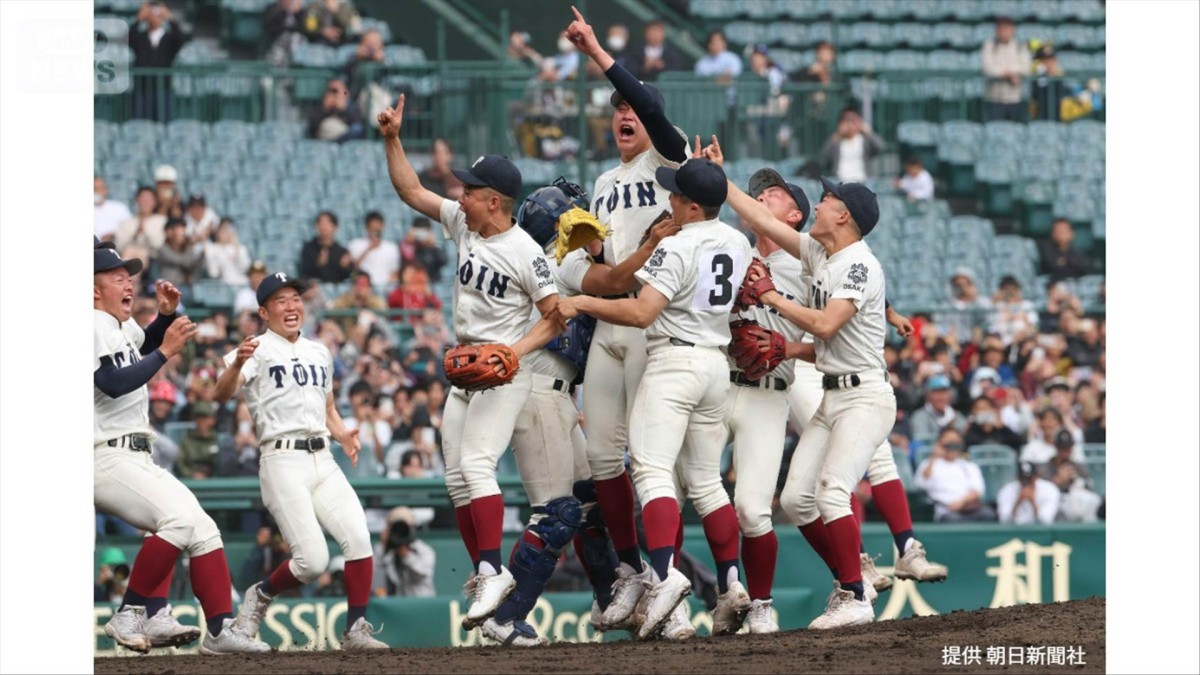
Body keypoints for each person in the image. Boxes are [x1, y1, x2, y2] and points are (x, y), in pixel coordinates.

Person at [702, 135, 939, 629]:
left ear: (844, 216)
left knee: (833, 491)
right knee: (794, 499)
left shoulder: (858, 264)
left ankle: (855, 594)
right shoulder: (821, 253)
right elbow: (763, 220)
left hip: (865, 397)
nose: (823, 201)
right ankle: (855, 580)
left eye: (829, 198)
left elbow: (827, 325)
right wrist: (718, 177)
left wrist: (773, 299)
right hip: (834, 392)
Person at [379, 92, 566, 632]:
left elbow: (555, 317)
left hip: (504, 373)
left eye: (470, 189)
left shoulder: (525, 251)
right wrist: (392, 139)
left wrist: (514, 352)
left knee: (479, 465)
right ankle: (486, 578)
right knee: (458, 479)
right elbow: (410, 190)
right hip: (465, 368)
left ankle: (493, 571)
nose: (460, 194)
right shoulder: (464, 223)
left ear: (496, 200)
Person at [556, 156, 754, 641]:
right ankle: (731, 584)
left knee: (650, 470)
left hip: (674, 361)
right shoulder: (737, 240)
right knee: (707, 482)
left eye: (675, 195)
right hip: (714, 363)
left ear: (688, 206)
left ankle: (664, 576)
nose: (668, 199)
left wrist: (581, 301)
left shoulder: (678, 244)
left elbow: (643, 312)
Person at [496, 178, 684, 644]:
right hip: (541, 392)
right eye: (574, 214)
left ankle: (606, 600)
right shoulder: (559, 263)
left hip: (555, 392)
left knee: (590, 498)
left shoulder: (538, 257)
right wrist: (651, 242)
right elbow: (619, 283)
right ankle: (506, 617)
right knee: (557, 514)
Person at [560, 7, 695, 637]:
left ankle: (675, 586)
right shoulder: (603, 179)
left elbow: (659, 115)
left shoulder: (669, 164)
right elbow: (602, 260)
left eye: (633, 108)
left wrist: (594, 50)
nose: (624, 114)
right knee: (603, 457)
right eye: (616, 107)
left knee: (651, 461)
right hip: (610, 322)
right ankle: (634, 571)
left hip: (653, 320)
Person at [93, 241, 268, 655]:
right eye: (117, 277)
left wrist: (165, 317)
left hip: (133, 453)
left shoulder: (119, 326)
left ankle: (220, 629)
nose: (127, 282)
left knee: (201, 526)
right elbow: (114, 383)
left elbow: (142, 346)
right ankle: (131, 611)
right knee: (176, 520)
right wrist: (168, 350)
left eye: (129, 276)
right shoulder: (85, 322)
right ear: (92, 288)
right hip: (101, 453)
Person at [215, 271, 389, 650]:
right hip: (281, 460)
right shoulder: (253, 348)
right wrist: (234, 365)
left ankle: (356, 629)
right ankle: (258, 597)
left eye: (296, 298)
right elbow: (220, 394)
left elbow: (326, 404)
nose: (292, 306)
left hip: (322, 457)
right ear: (264, 311)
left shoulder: (319, 351)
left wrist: (341, 432)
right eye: (281, 300)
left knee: (359, 538)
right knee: (312, 562)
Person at [914, 428, 997, 523]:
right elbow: (921, 484)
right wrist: (934, 456)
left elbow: (977, 491)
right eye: (949, 442)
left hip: (969, 508)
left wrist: (961, 503)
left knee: (989, 514)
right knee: (952, 519)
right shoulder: (929, 464)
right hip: (946, 511)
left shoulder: (969, 466)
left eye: (956, 442)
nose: (952, 446)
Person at [129, 1, 186, 121]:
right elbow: (129, 37)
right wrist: (139, 18)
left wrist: (169, 18)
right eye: (152, 13)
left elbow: (180, 38)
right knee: (141, 121)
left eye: (157, 13)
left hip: (163, 87)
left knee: (163, 120)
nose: (154, 16)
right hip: (142, 87)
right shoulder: (140, 37)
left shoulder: (169, 38)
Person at [1037, 428, 1102, 522]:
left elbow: (1090, 487)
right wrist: (1057, 480)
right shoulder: (1045, 467)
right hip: (1055, 503)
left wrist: (1077, 481)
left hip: (1076, 504)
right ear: (1056, 447)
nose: (1065, 453)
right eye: (1062, 449)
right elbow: (1040, 492)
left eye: (1067, 449)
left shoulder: (1078, 466)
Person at [981, 16, 1032, 122]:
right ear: (997, 30)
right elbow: (988, 68)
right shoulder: (989, 45)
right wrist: (1006, 74)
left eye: (1007, 29)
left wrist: (1011, 71)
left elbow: (1026, 67)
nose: (1004, 32)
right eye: (1001, 29)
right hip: (994, 99)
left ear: (1013, 30)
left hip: (1016, 99)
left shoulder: (1020, 46)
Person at [821, 107, 885, 183]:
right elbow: (825, 155)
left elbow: (880, 147)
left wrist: (868, 131)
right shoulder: (837, 141)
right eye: (846, 120)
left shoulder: (865, 140)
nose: (850, 124)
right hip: (839, 180)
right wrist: (838, 134)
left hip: (863, 180)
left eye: (853, 120)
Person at [378, 520, 437, 597]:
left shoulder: (423, 551)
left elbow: (422, 575)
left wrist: (406, 556)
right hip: (401, 603)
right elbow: (379, 575)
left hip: (424, 600)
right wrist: (384, 546)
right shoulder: (390, 554)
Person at [908, 374, 967, 445]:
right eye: (937, 393)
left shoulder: (956, 415)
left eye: (944, 392)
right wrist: (948, 429)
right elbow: (922, 442)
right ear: (928, 396)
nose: (941, 397)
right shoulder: (919, 417)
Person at [348, 211, 401, 287]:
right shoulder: (355, 244)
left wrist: (387, 286)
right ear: (366, 227)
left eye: (377, 229)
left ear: (383, 226)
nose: (375, 232)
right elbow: (353, 269)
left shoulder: (392, 248)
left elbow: (395, 272)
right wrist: (369, 249)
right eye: (372, 229)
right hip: (363, 287)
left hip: (384, 287)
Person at [299, 211, 355, 283]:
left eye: (327, 224)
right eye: (321, 224)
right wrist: (319, 265)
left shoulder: (342, 252)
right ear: (316, 227)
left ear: (335, 227)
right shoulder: (308, 249)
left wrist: (346, 267)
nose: (324, 228)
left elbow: (351, 276)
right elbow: (305, 274)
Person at [306, 77, 365, 142]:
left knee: (357, 129)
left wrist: (343, 109)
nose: (335, 94)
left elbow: (357, 125)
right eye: (332, 91)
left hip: (344, 136)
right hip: (326, 135)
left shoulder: (350, 108)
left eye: (338, 91)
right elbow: (312, 128)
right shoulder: (319, 109)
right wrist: (326, 109)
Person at [174, 401, 220, 479]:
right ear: (194, 419)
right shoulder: (186, 441)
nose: (202, 421)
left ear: (213, 420)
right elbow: (180, 463)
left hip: (214, 482)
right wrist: (191, 474)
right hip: (191, 482)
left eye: (205, 417)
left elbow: (222, 465)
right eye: (198, 417)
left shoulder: (218, 441)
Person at [203, 218, 252, 286]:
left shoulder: (241, 249)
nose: (225, 232)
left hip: (242, 284)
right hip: (223, 286)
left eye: (229, 229)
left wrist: (236, 247)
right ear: (218, 231)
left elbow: (245, 268)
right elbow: (213, 272)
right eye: (223, 229)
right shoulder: (212, 249)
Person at [95, 175, 132, 244]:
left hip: (117, 246)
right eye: (94, 189)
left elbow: (130, 228)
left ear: (105, 189)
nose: (97, 191)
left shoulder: (119, 207)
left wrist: (115, 235)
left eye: (99, 188)